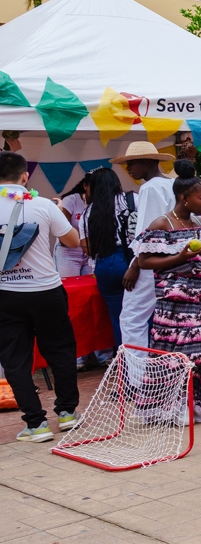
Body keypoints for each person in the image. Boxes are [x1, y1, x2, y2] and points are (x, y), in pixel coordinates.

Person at [133, 176, 201, 424]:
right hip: (178, 301)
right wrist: (180, 257)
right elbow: (144, 261)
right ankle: (175, 407)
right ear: (184, 198)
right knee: (183, 352)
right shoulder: (162, 223)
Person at [0, 152, 81, 441]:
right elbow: (72, 241)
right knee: (60, 350)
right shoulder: (43, 204)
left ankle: (36, 424)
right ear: (25, 176)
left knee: (15, 359)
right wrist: (58, 212)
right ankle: (68, 413)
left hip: (5, 294)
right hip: (46, 290)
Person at [115, 141, 178, 350]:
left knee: (132, 318)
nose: (129, 169)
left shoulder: (150, 187)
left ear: (147, 162)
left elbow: (147, 232)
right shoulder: (171, 184)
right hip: (173, 258)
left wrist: (135, 265)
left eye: (132, 163)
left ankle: (136, 375)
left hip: (151, 259)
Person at [81, 167, 133, 350]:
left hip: (103, 263)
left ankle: (123, 361)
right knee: (139, 315)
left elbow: (87, 247)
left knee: (117, 317)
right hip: (129, 261)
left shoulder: (88, 212)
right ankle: (144, 360)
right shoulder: (130, 200)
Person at [54, 176, 92, 278]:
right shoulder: (70, 200)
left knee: (91, 285)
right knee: (70, 286)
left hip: (91, 251)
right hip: (68, 250)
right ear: (85, 186)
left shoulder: (101, 203)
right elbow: (64, 237)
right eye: (95, 186)